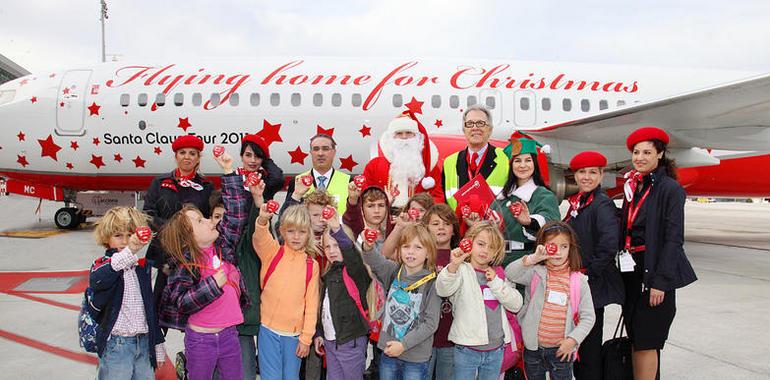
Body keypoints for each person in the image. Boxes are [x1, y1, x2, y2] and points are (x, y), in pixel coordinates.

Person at [157, 151, 251, 380]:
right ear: (188, 236)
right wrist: (212, 285)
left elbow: (237, 214)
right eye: (200, 221)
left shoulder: (223, 247)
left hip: (230, 335)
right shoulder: (186, 264)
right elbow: (181, 302)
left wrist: (229, 172)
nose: (210, 220)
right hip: (201, 340)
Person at [620, 127, 697, 380]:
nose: (640, 157)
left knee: (646, 340)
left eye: (646, 152)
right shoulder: (635, 186)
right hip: (633, 271)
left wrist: (660, 282)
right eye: (636, 152)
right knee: (636, 336)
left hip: (653, 273)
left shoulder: (670, 190)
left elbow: (673, 239)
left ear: (660, 154)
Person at [505, 221, 596, 380]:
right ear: (543, 246)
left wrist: (572, 340)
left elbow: (588, 317)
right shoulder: (535, 273)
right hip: (533, 349)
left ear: (570, 248)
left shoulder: (578, 281)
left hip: (562, 350)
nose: (559, 252)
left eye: (564, 246)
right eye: (553, 246)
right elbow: (510, 273)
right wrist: (533, 258)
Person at [564, 151, 625, 380]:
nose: (586, 177)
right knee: (580, 344)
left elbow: (609, 245)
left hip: (592, 286)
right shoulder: (579, 201)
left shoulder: (602, 204)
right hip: (581, 283)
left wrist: (587, 275)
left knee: (588, 346)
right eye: (581, 172)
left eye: (592, 172)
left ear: (601, 175)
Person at [436, 221, 523, 380]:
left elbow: (516, 304)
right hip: (467, 350)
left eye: (491, 247)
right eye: (481, 244)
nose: (485, 250)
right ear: (470, 242)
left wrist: (496, 283)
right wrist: (453, 266)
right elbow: (443, 289)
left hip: (496, 349)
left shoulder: (499, 273)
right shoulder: (461, 270)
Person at [89, 207, 166, 379]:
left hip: (144, 343)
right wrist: (130, 250)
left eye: (130, 235)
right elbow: (97, 280)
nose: (124, 241)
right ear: (106, 238)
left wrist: (158, 343)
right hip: (118, 344)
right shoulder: (104, 264)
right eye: (118, 235)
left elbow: (149, 309)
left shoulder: (141, 267)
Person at [144, 135, 214, 318]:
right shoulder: (160, 183)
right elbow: (148, 215)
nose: (187, 157)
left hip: (192, 255)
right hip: (163, 253)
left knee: (191, 308)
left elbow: (209, 218)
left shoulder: (206, 187)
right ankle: (156, 344)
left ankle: (192, 346)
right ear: (176, 156)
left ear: (198, 158)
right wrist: (173, 230)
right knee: (156, 305)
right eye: (182, 153)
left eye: (192, 153)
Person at [361, 224, 441, 380]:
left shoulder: (433, 283)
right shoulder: (393, 271)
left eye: (418, 247)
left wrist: (403, 345)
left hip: (415, 359)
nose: (411, 251)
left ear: (428, 253)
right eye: (406, 246)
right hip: (389, 352)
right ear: (399, 250)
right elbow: (374, 260)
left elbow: (430, 324)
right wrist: (368, 246)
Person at [252, 203, 321, 379]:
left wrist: (306, 339)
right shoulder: (272, 252)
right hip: (268, 331)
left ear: (309, 234)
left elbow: (312, 305)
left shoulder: (311, 265)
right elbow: (260, 237)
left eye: (302, 232)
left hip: (294, 337)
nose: (296, 237)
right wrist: (262, 219)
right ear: (282, 231)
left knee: (291, 377)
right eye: (291, 231)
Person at [313, 209, 373, 380]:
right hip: (331, 342)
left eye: (336, 245)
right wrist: (319, 334)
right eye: (327, 246)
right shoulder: (329, 273)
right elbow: (324, 308)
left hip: (351, 342)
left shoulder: (355, 270)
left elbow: (352, 255)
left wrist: (336, 229)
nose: (332, 250)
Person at [493, 137, 560, 266]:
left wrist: (530, 222)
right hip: (498, 262)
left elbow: (552, 224)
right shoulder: (502, 197)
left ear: (534, 163)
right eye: (517, 161)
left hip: (526, 264)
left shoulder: (544, 195)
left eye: (528, 160)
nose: (523, 165)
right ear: (511, 165)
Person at [363, 112, 444, 207]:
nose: (404, 137)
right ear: (391, 138)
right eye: (399, 133)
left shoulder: (429, 167)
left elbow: (438, 200)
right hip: (384, 218)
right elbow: (364, 198)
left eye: (409, 133)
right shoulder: (374, 166)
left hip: (418, 219)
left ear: (417, 138)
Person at [442, 105, 509, 210]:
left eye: (480, 123)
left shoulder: (506, 159)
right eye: (469, 124)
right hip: (458, 224)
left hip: (492, 225)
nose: (474, 128)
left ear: (490, 129)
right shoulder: (449, 162)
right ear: (464, 130)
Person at [422, 204, 460, 379]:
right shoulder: (419, 256)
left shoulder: (461, 259)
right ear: (426, 229)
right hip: (423, 338)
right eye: (435, 223)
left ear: (454, 230)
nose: (441, 227)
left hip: (451, 337)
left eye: (446, 223)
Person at [286, 133, 350, 214]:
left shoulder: (348, 182)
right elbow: (286, 218)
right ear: (311, 152)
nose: (320, 153)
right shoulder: (297, 182)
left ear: (334, 152)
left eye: (325, 149)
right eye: (316, 149)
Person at [239, 133, 284, 202]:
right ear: (242, 157)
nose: (253, 160)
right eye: (248, 155)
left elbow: (277, 178)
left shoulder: (265, 180)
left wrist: (265, 160)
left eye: (257, 156)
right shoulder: (232, 178)